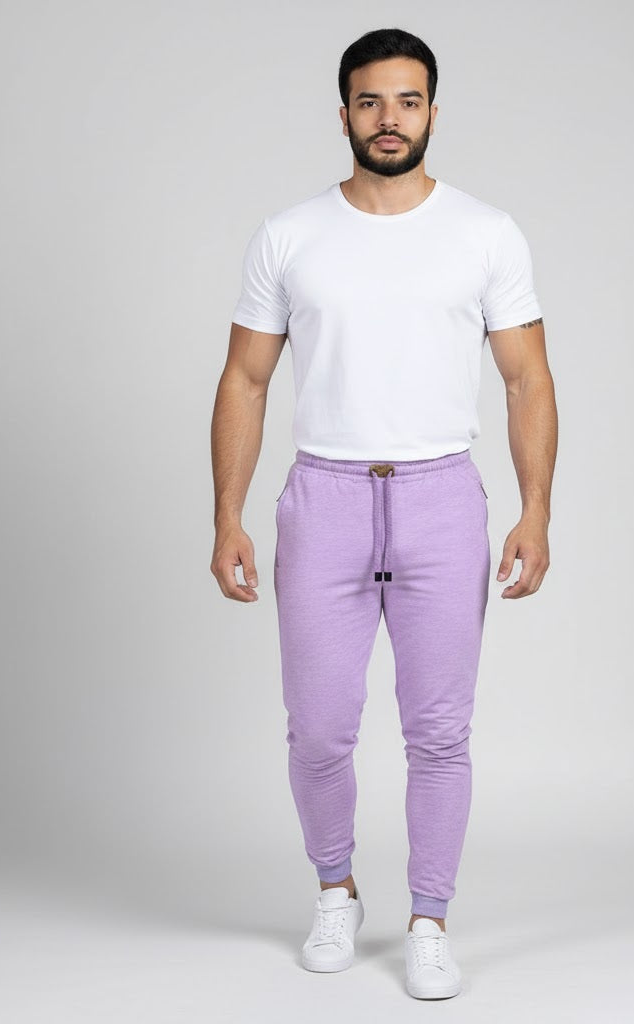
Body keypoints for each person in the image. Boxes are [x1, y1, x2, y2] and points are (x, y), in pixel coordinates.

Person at [209, 27, 558, 1000]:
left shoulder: (486, 232)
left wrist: (535, 511)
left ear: (433, 112)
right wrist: (227, 515)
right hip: (323, 497)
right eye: (370, 102)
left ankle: (430, 919)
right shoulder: (290, 235)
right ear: (344, 115)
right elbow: (244, 379)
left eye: (408, 101)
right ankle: (336, 889)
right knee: (319, 728)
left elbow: (526, 380)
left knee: (438, 732)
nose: (389, 119)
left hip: (440, 495)